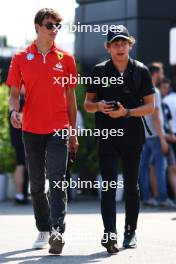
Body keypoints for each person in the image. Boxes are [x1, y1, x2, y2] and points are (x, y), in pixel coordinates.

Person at [7, 8, 78, 255]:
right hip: (31, 129)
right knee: (36, 184)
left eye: (57, 25)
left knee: (57, 180)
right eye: (50, 25)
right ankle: (44, 228)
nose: (54, 30)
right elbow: (14, 94)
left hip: (59, 128)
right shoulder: (20, 57)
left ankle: (58, 231)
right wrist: (13, 112)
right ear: (37, 26)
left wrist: (73, 132)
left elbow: (71, 99)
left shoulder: (66, 59)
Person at [84, 25, 155, 253]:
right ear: (108, 47)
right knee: (109, 185)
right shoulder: (98, 71)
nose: (120, 47)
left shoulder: (141, 70)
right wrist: (99, 106)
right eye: (115, 43)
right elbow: (87, 105)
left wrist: (126, 112)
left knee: (132, 186)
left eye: (124, 42)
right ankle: (110, 233)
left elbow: (150, 107)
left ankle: (130, 232)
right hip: (107, 136)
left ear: (130, 45)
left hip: (133, 136)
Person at [139, 63, 176, 208]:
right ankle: (162, 198)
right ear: (155, 74)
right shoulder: (155, 91)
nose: (162, 75)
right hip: (155, 136)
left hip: (145, 136)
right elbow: (156, 116)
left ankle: (147, 197)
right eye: (160, 72)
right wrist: (163, 139)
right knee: (161, 168)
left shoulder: (141, 91)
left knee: (144, 168)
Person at [9, 87, 29, 204]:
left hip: (16, 138)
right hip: (22, 138)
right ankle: (20, 194)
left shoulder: (13, 101)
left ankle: (20, 194)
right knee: (21, 165)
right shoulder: (21, 101)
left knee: (20, 164)